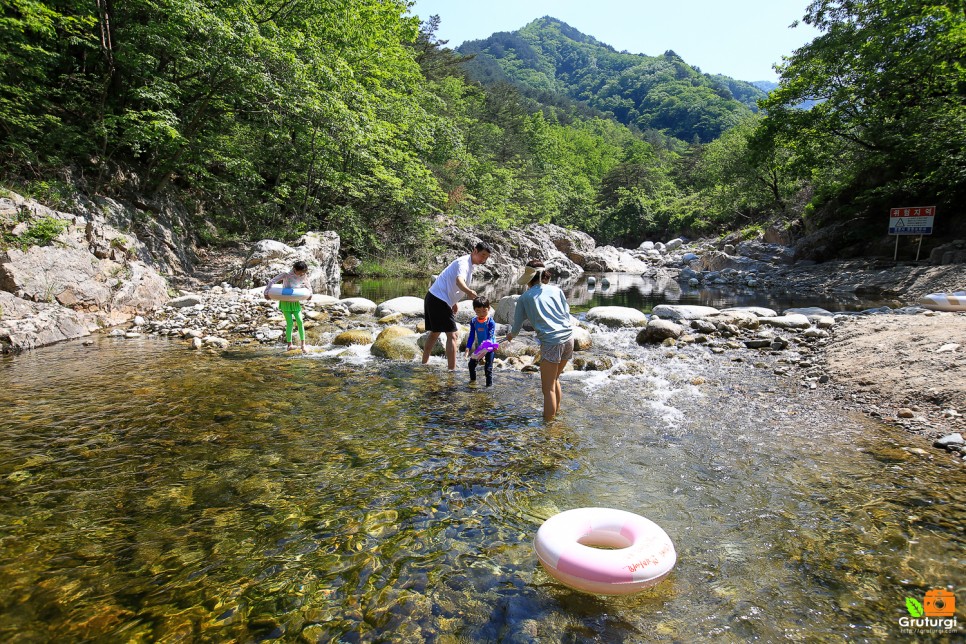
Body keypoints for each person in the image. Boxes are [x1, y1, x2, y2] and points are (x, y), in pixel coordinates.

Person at [505, 260, 574, 421]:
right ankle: (556, 416)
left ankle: (549, 429)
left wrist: (510, 336)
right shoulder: (556, 290)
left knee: (547, 388)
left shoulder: (524, 298)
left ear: (529, 279)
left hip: (551, 342)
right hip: (569, 338)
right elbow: (566, 312)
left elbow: (516, 327)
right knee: (555, 379)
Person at [422, 242, 492, 370]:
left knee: (435, 333)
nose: (483, 260)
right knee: (452, 335)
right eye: (482, 255)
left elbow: (448, 281)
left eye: (486, 257)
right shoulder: (464, 263)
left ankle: (424, 363)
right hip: (438, 299)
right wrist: (469, 292)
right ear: (475, 251)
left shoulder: (468, 264)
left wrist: (454, 302)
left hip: (434, 297)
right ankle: (452, 371)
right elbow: (458, 281)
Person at [264, 260, 312, 353]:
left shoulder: (304, 275)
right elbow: (272, 280)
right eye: (301, 272)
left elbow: (308, 284)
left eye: (304, 272)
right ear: (294, 269)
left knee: (300, 321)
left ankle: (303, 345)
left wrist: (310, 293)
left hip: (294, 300)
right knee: (289, 323)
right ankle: (289, 345)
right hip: (285, 300)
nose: (302, 274)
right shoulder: (286, 274)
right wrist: (266, 292)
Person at [465, 296, 496, 387]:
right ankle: (473, 382)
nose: (481, 313)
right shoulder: (474, 321)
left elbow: (490, 335)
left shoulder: (490, 322)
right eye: (478, 311)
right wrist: (468, 347)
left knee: (488, 369)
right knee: (471, 364)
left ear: (489, 308)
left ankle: (488, 387)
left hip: (490, 347)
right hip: (481, 347)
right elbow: (471, 336)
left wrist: (489, 347)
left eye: (484, 311)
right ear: (474, 310)